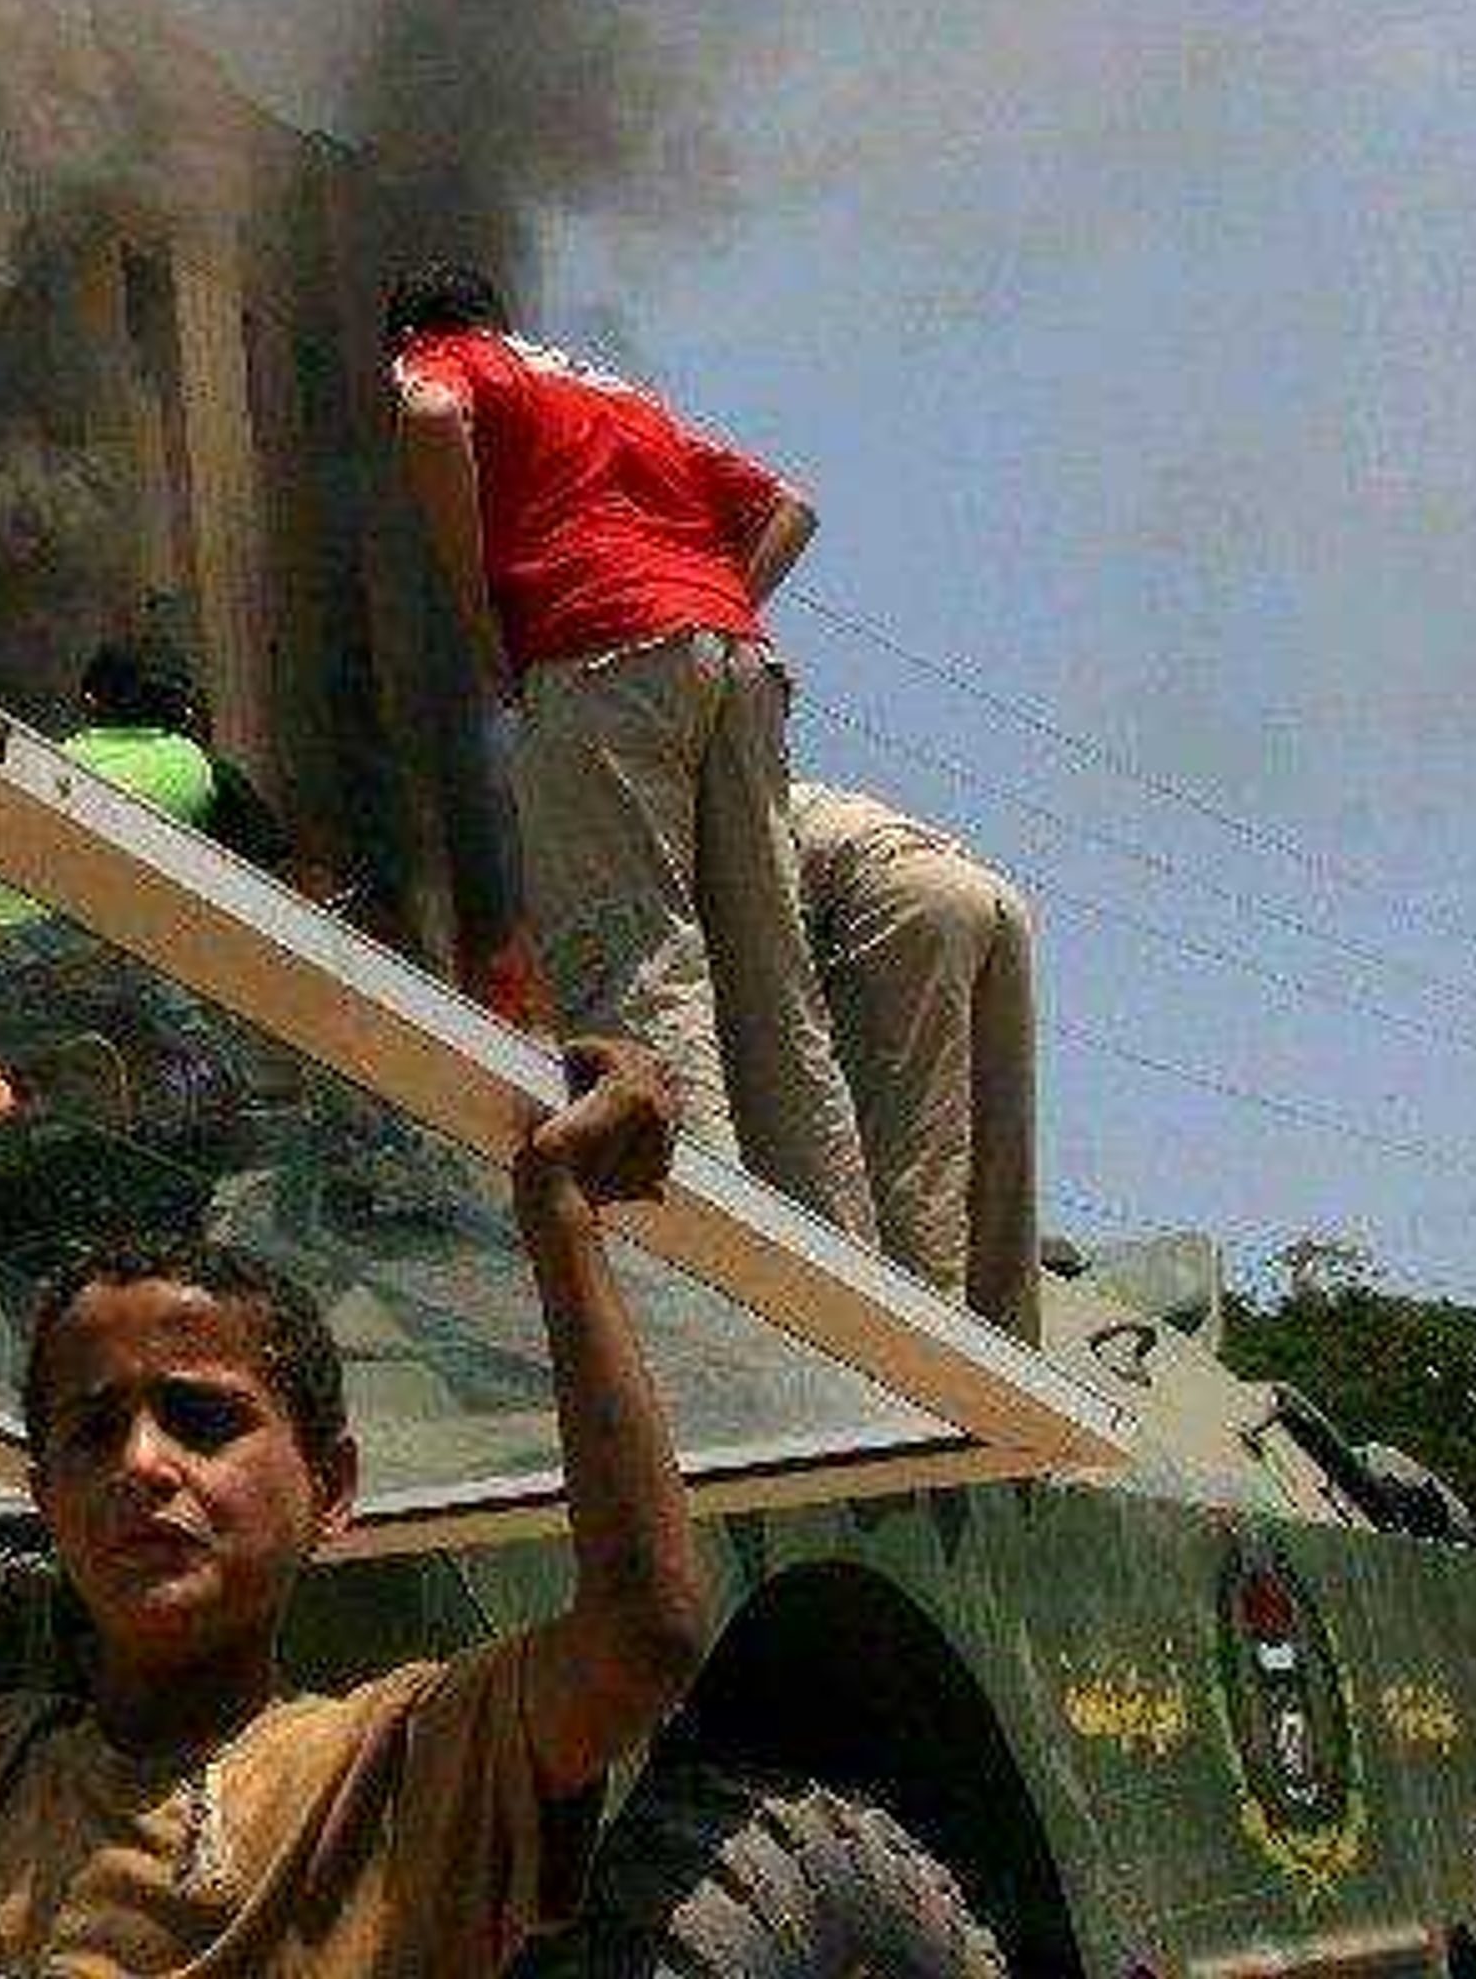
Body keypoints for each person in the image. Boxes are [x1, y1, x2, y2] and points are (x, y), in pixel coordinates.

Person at [0, 1038, 707, 1978]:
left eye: (202, 1417)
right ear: (43, 1500)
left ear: (333, 1488)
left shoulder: (405, 1759)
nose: (141, 1461)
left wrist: (562, 1219)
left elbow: (643, 1631)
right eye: (90, 1430)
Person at [387, 263, 873, 1240]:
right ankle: (838, 1257)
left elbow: (433, 417)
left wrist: (484, 623)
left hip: (599, 659)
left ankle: (697, 1250)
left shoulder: (442, 357)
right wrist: (710, 605)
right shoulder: (614, 391)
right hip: (735, 662)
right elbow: (792, 505)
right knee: (773, 973)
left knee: (636, 956)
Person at [791, 783, 1043, 1338]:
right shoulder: (766, 784)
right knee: (998, 1183)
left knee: (907, 1183)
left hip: (893, 898)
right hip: (986, 895)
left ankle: (921, 1377)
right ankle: (1007, 1385)